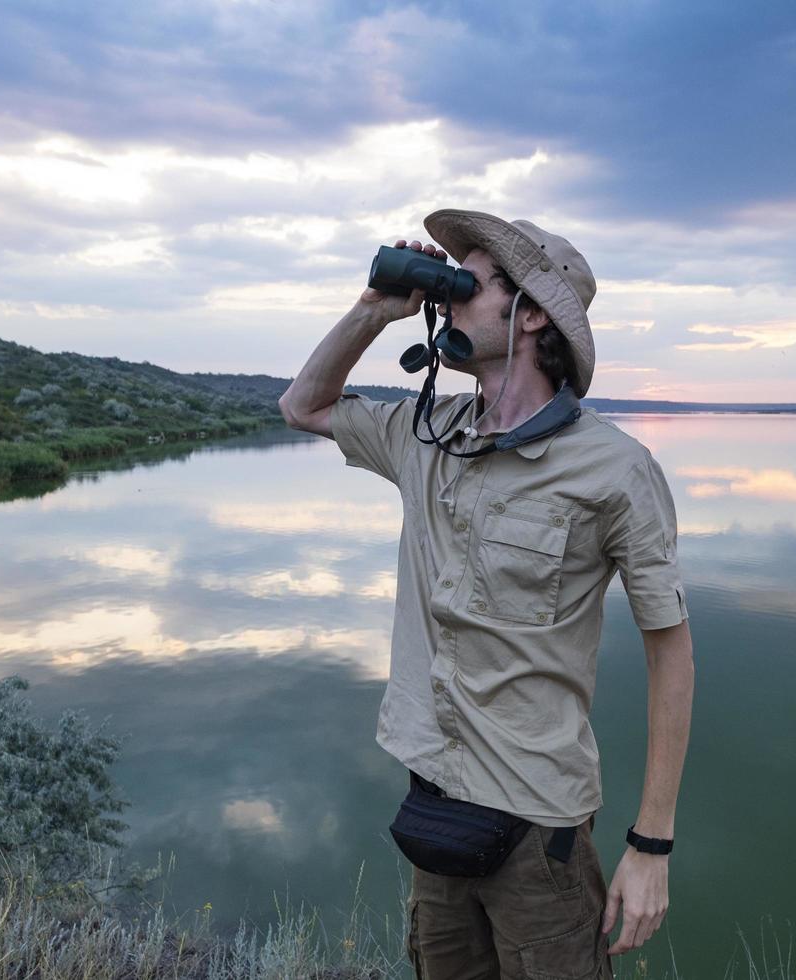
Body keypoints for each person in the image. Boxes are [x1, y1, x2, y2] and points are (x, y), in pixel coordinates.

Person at [280, 209, 695, 979]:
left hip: (539, 825)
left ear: (531, 313)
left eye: (469, 281)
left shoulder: (614, 469)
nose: (449, 294)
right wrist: (375, 309)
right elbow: (302, 406)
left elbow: (670, 648)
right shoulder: (424, 436)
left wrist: (652, 846)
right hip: (435, 800)